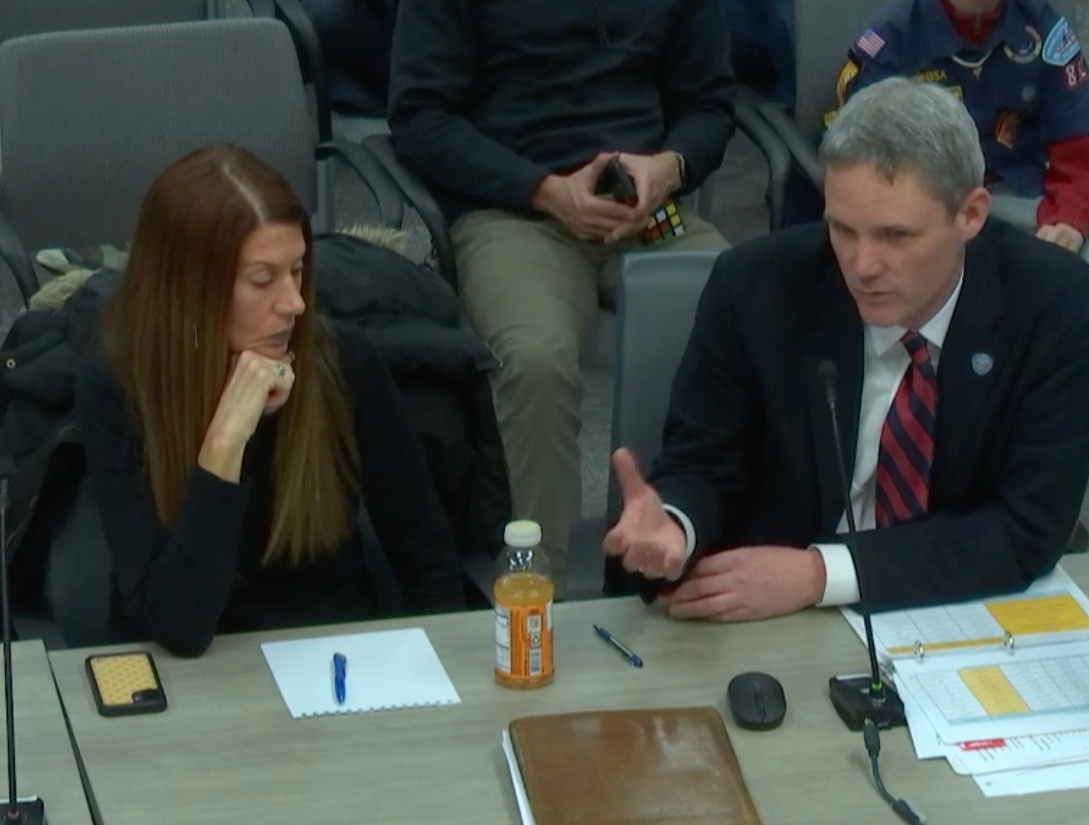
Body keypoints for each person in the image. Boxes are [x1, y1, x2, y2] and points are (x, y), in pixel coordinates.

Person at [604, 78, 1089, 618]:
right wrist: (676, 522)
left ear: (971, 216)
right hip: (776, 618)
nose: (862, 266)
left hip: (954, 608)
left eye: (896, 236)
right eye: (843, 229)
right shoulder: (754, 287)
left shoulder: (1056, 305)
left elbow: (1026, 527)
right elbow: (704, 467)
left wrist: (823, 573)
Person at [388, 0, 737, 592]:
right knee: (535, 359)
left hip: (646, 207)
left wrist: (670, 168)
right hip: (515, 207)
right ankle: (537, 588)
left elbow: (710, 104)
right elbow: (421, 118)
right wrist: (545, 191)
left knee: (745, 316)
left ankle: (707, 553)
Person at [75, 145, 466, 656]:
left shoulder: (341, 363)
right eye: (263, 280)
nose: (295, 303)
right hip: (186, 675)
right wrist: (226, 439)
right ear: (188, 288)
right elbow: (178, 628)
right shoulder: (119, 386)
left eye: (298, 269)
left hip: (330, 659)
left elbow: (427, 559)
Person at [833, 0, 1089, 268]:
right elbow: (863, 168)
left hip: (1028, 202)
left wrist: (1069, 217)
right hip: (931, 209)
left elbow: (1079, 155)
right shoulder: (890, 42)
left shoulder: (1042, 27)